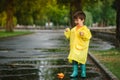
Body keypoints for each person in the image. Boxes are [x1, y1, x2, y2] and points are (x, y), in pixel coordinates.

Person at [64, 11, 92, 78]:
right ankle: (75, 72)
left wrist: (83, 34)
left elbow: (88, 36)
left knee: (82, 60)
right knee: (74, 60)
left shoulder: (85, 29)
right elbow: (69, 36)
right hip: (74, 48)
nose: (76, 22)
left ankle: (83, 72)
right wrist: (67, 32)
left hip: (82, 48)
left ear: (82, 20)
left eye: (77, 20)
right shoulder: (73, 29)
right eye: (75, 20)